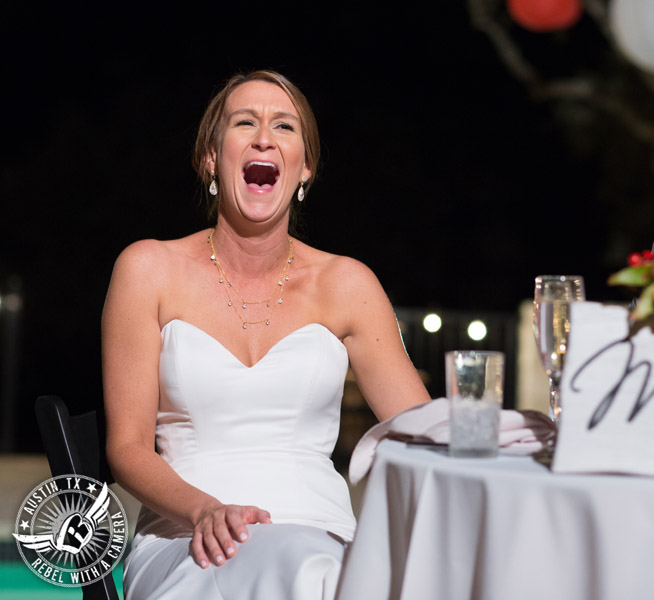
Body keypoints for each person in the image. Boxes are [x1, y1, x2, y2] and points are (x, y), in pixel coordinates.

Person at [102, 70, 431, 599]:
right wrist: (203, 509)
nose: (263, 137)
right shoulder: (147, 269)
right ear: (210, 158)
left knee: (320, 568)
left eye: (284, 126)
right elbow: (127, 447)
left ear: (305, 168)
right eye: (244, 123)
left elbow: (423, 432)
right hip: (185, 539)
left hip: (322, 535)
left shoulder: (347, 283)